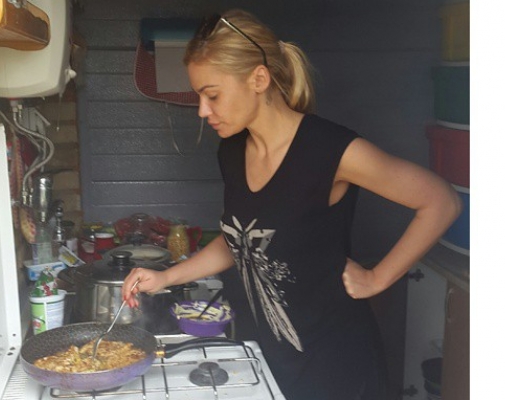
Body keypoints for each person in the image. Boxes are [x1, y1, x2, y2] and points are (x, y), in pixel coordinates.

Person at [123, 9, 462, 400]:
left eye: (212, 95)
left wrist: (377, 279)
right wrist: (166, 278)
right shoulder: (232, 151)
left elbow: (441, 202)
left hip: (336, 368)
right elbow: (240, 240)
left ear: (259, 79)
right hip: (273, 357)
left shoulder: (330, 151)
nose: (202, 110)